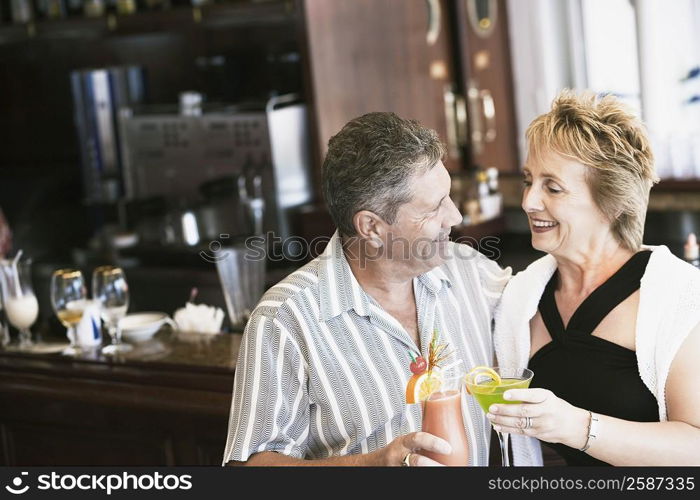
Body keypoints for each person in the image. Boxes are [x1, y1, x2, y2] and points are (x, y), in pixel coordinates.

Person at [222, 112, 511, 466]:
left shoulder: (469, 272)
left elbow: (547, 301)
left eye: (448, 197)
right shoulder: (285, 318)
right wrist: (370, 466)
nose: (455, 218)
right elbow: (248, 470)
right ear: (371, 227)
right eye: (435, 207)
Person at [493, 90, 700, 465]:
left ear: (612, 203)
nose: (528, 202)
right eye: (528, 181)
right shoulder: (520, 299)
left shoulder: (681, 299)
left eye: (552, 187)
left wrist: (577, 427)